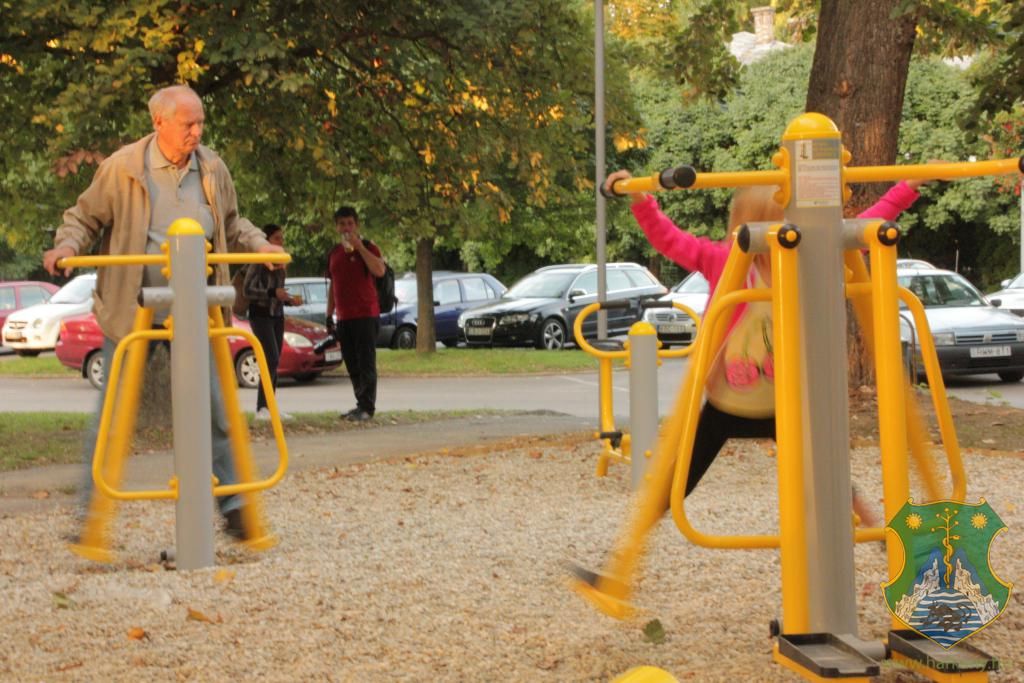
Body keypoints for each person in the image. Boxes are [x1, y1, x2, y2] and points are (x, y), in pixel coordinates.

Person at [605, 169, 930, 524]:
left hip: (787, 402)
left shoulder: (807, 262)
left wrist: (907, 188)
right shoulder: (726, 262)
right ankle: (629, 550)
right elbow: (670, 240)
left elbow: (861, 229)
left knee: (826, 474)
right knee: (680, 474)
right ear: (752, 227)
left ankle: (877, 528)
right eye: (783, 221)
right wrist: (640, 199)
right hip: (729, 401)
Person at [42, 84, 284, 540]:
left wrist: (260, 245)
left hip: (198, 314)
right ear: (159, 123)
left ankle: (235, 509)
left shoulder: (211, 168)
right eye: (188, 124)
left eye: (201, 122)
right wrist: (67, 245)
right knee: (113, 415)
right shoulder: (124, 169)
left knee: (216, 409)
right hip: (135, 312)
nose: (197, 132)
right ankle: (91, 519)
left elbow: (232, 223)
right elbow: (84, 216)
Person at [325, 206, 386, 421]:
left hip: (366, 314)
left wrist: (359, 247)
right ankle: (360, 403)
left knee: (366, 362)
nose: (346, 228)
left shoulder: (369, 247)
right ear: (336, 227)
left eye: (350, 223)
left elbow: (379, 270)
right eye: (342, 224)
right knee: (352, 363)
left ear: (356, 225)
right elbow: (334, 285)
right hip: (344, 317)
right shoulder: (334, 253)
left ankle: (368, 407)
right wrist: (329, 315)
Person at [243, 223, 300, 421]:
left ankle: (269, 406)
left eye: (282, 239)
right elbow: (247, 290)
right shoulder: (258, 262)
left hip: (277, 315)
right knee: (271, 358)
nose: (281, 243)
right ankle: (262, 408)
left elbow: (278, 294)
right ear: (266, 241)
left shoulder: (281, 265)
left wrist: (289, 300)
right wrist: (271, 293)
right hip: (260, 315)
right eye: (277, 238)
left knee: (274, 361)